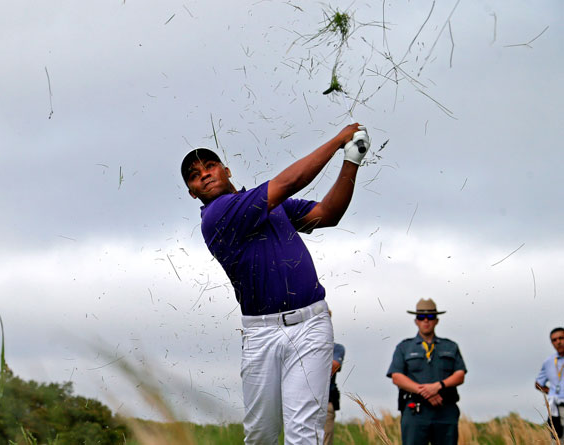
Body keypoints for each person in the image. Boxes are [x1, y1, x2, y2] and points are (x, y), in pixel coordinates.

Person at [181, 122, 370, 444]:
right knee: (261, 436)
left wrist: (351, 160)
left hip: (311, 323)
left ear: (226, 170)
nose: (205, 175)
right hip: (260, 332)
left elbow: (327, 213)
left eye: (210, 166)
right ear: (193, 192)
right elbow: (289, 181)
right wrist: (338, 139)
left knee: (304, 435)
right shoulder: (216, 216)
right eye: (196, 175)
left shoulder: (271, 206)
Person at [387, 299, 467, 445]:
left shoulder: (450, 346)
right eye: (421, 317)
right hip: (415, 412)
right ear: (415, 321)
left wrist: (438, 386)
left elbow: (460, 374)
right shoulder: (404, 347)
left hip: (445, 411)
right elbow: (397, 377)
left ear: (436, 320)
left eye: (430, 317)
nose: (426, 321)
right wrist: (425, 391)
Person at [534, 327, 564, 442]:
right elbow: (538, 384)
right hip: (556, 408)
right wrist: (552, 392)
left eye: (561, 338)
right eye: (554, 340)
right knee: (557, 440)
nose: (558, 342)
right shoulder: (549, 362)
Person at [324, 342, 345, 445]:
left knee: (325, 439)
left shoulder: (336, 347)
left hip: (326, 401)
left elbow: (334, 366)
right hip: (301, 401)